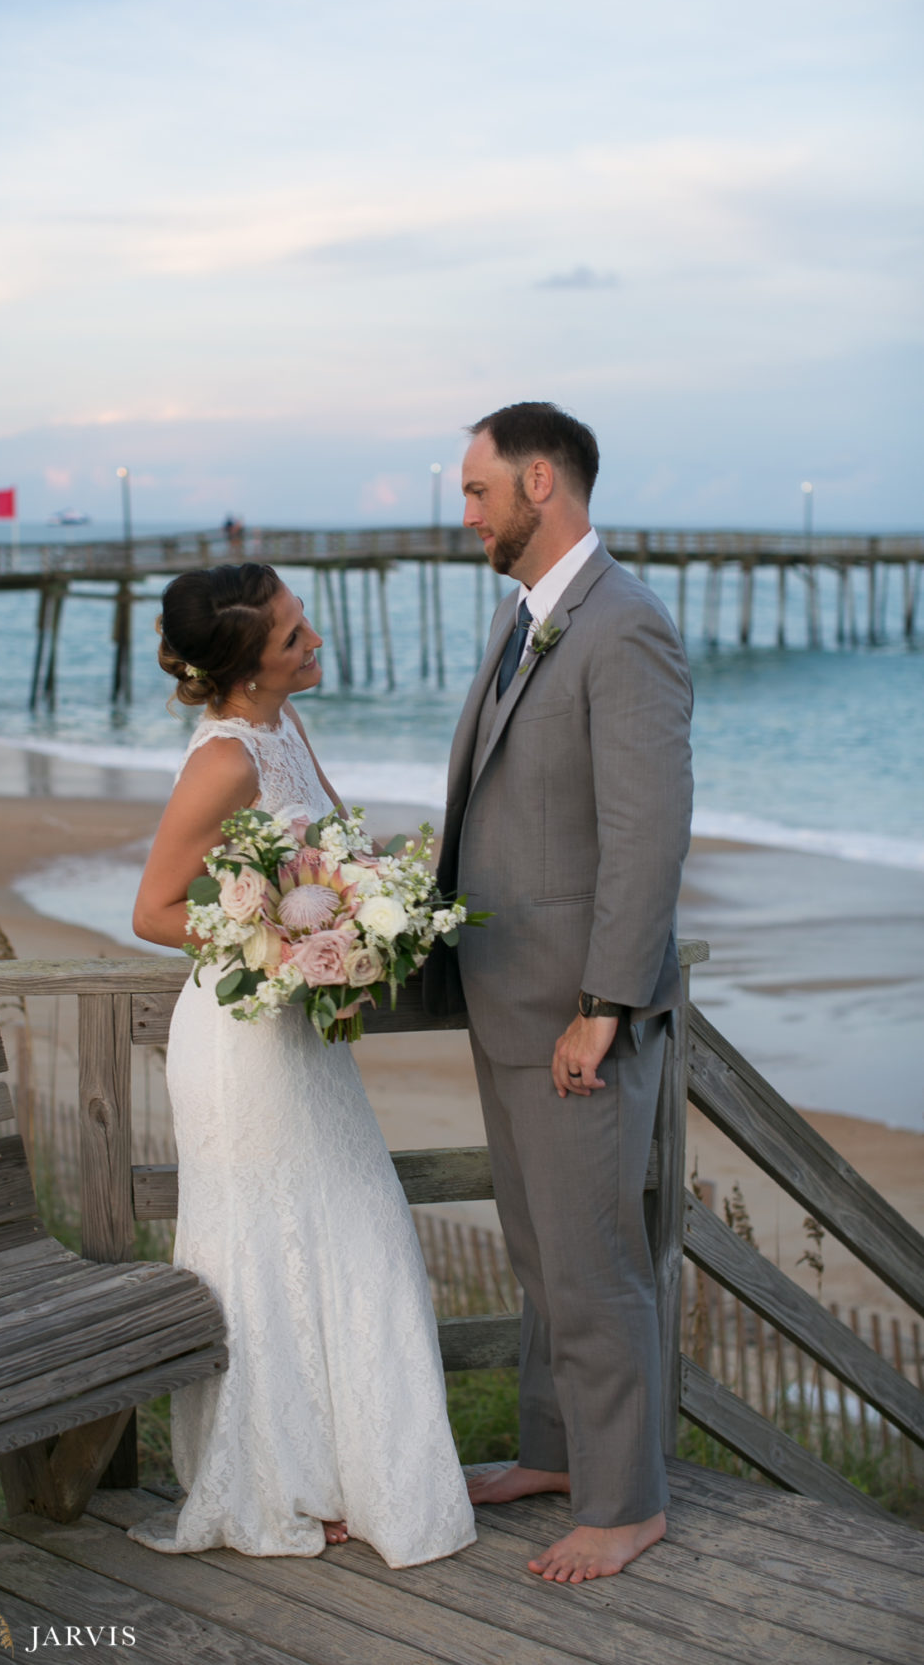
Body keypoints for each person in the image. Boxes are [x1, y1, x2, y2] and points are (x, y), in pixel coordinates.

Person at [127, 562, 475, 1567]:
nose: (312, 640)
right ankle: (274, 1484)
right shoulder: (225, 761)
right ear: (244, 668)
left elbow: (320, 857)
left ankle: (346, 1476)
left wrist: (369, 918)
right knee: (265, 1251)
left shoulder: (286, 728)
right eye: (290, 637)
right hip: (240, 1045)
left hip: (299, 1039)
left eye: (303, 622)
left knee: (351, 1226)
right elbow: (153, 909)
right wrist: (276, 944)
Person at [424, 402, 693, 1583]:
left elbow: (645, 837)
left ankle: (626, 1501)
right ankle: (552, 1450)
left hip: (575, 1013)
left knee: (593, 1261)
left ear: (541, 483)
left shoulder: (622, 626)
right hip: (502, 995)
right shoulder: (521, 616)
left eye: (478, 491)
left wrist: (606, 1003)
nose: (466, 512)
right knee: (538, 1253)